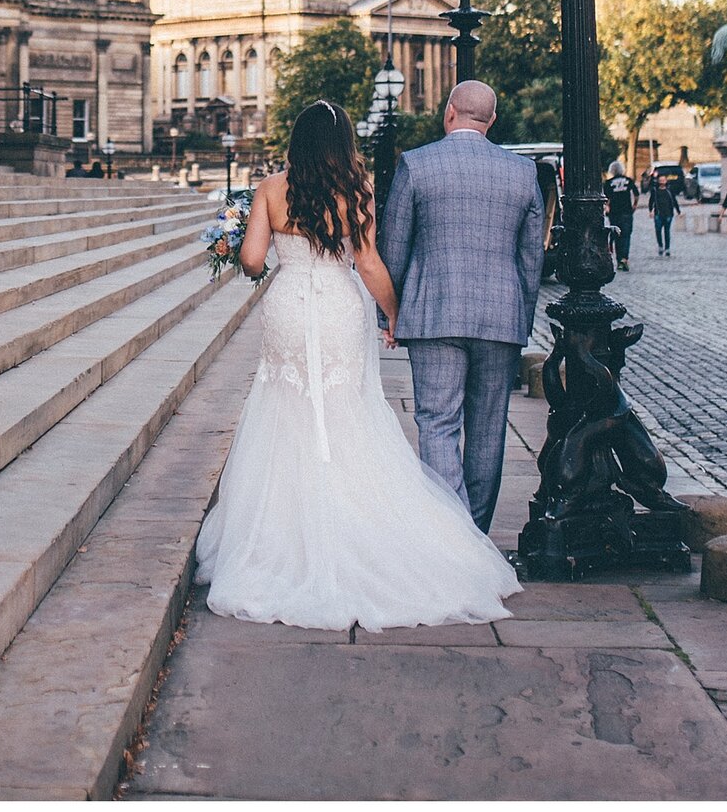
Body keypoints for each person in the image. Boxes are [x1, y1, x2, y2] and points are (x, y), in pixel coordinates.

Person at [195, 97, 523, 630]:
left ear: (297, 141)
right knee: (347, 407)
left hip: (290, 304)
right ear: (343, 141)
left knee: (288, 405)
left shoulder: (271, 190)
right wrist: (396, 315)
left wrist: (233, 242)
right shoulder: (358, 189)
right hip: (340, 303)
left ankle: (283, 535)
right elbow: (368, 261)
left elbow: (254, 261)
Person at [383, 79, 550, 531]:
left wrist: (389, 313)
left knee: (437, 421)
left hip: (432, 312)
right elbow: (532, 256)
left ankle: (452, 537)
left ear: (448, 112)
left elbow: (394, 247)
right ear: (491, 120)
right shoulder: (522, 172)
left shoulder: (416, 165)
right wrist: (523, 315)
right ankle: (474, 532)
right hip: (501, 316)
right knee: (488, 428)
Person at [603, 163, 638, 270]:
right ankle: (624, 258)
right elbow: (636, 194)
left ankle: (619, 260)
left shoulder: (608, 183)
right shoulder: (628, 180)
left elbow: (606, 200)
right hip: (627, 211)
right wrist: (634, 205)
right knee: (626, 235)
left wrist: (607, 208)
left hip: (614, 212)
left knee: (617, 235)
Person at [647, 173, 679, 256]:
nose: (662, 182)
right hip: (658, 213)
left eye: (663, 180)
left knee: (667, 231)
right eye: (660, 180)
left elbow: (674, 201)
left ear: (666, 181)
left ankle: (667, 248)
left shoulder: (669, 190)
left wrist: (678, 211)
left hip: (668, 213)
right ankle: (660, 246)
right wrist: (651, 211)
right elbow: (651, 202)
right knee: (658, 230)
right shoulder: (655, 191)